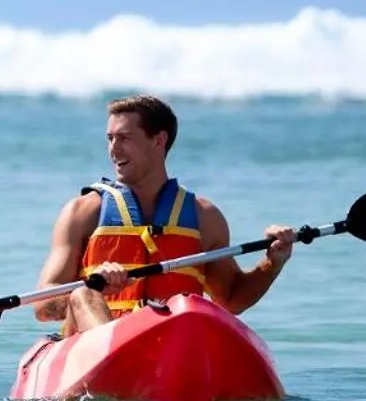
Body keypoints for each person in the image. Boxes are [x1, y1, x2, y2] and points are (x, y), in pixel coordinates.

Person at [34, 95, 294, 336]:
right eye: (110, 138)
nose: (113, 150)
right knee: (82, 294)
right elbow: (43, 306)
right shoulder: (83, 212)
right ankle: (114, 357)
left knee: (194, 309)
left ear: (159, 141)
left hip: (169, 345)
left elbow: (232, 299)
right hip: (93, 348)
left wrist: (273, 262)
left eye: (124, 138)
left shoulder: (205, 217)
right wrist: (95, 288)